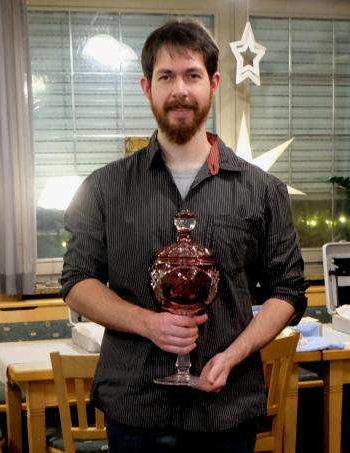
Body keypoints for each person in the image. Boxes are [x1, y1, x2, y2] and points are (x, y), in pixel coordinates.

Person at [60, 18, 308, 453]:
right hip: (135, 406)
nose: (180, 90)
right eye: (166, 77)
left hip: (225, 407)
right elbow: (77, 281)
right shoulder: (103, 187)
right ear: (146, 87)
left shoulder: (262, 190)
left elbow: (288, 290)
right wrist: (148, 324)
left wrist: (233, 355)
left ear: (213, 84)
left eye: (192, 75)